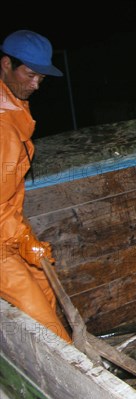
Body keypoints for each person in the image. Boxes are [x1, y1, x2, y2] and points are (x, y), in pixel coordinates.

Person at [0, 30, 72, 343]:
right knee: (45, 326)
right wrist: (22, 240)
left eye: (41, 78)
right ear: (6, 64)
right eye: (29, 75)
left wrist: (24, 238)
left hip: (7, 225)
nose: (35, 85)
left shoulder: (14, 106)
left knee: (46, 282)